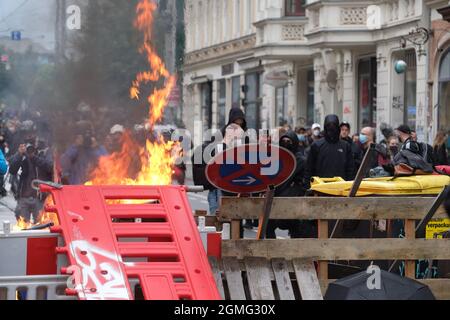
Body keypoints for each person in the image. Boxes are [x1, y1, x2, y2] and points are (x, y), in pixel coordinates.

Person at [266, 130, 310, 239]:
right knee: (269, 226)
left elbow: (304, 181)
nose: (286, 143)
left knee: (295, 229)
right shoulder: (276, 159)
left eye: (288, 141)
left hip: (293, 200)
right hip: (276, 198)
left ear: (294, 142)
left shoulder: (301, 160)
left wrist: (297, 191)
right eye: (284, 141)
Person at [305, 115, 354, 187]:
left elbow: (350, 169)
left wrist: (350, 187)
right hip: (320, 187)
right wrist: (308, 187)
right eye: (329, 125)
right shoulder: (316, 145)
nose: (332, 128)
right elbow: (309, 168)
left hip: (341, 188)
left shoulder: (345, 146)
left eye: (334, 125)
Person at [9, 142, 53, 223]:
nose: (30, 150)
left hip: (39, 198)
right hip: (23, 197)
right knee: (23, 226)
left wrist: (33, 157)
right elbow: (12, 170)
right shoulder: (21, 156)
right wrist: (19, 155)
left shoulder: (43, 154)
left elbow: (49, 167)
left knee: (42, 227)